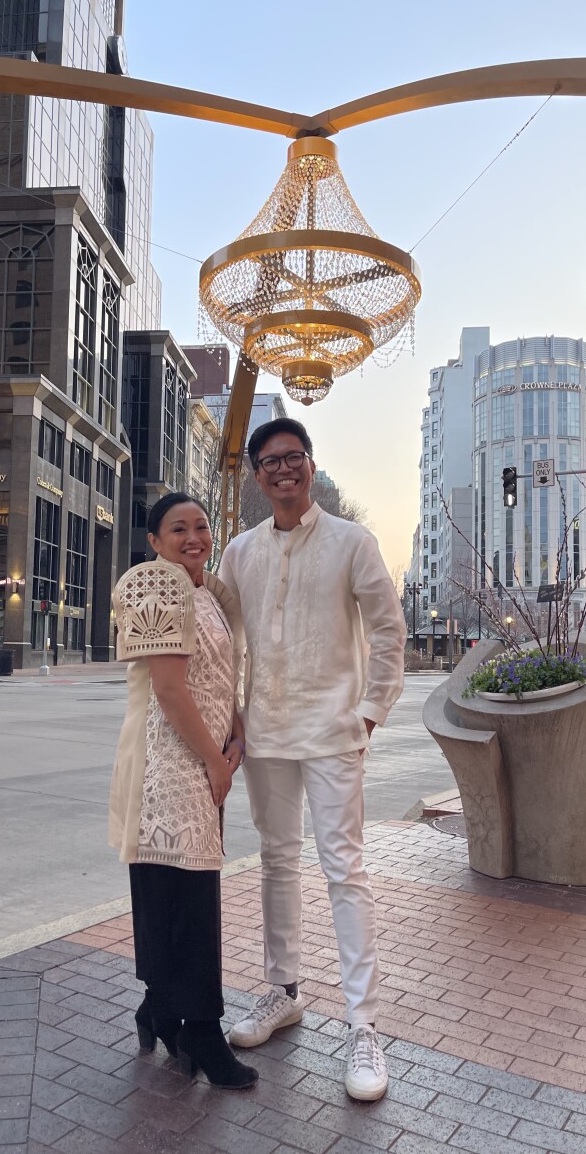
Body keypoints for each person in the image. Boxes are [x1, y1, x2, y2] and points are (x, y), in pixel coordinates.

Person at [218, 418, 405, 1101]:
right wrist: (231, 713)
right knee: (275, 858)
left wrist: (368, 711)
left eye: (293, 458)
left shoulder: (352, 542)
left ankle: (364, 1023)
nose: (283, 470)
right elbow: (225, 636)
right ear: (257, 475)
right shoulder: (240, 552)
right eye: (270, 462)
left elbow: (388, 630)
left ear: (310, 464)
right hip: (266, 731)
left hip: (331, 732)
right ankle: (282, 989)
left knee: (344, 868)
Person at [109, 492, 257, 1091]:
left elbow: (223, 675)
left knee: (183, 895)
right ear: (154, 540)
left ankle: (158, 1011)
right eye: (178, 529)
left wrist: (237, 731)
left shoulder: (210, 593)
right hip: (168, 765)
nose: (193, 537)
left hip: (203, 758)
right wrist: (215, 765)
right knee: (182, 900)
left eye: (200, 526)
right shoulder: (156, 585)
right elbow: (170, 690)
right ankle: (199, 1028)